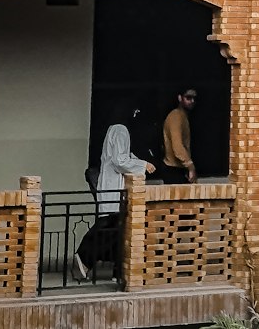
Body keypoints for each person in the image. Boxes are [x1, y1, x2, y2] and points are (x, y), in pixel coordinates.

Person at [73, 102, 155, 282]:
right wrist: (143, 165)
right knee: (110, 226)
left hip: (112, 185)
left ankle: (117, 271)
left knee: (117, 229)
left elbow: (124, 155)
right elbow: (120, 160)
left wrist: (138, 161)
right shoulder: (120, 130)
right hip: (114, 186)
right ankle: (86, 257)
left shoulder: (115, 129)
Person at [157, 87, 198, 183]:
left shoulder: (183, 116)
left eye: (194, 98)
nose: (192, 101)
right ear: (180, 98)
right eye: (188, 97)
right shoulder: (176, 117)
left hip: (179, 168)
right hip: (173, 169)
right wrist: (190, 166)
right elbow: (177, 146)